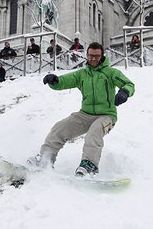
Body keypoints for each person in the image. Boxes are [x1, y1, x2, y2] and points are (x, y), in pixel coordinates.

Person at [30, 42, 135, 177]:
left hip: (107, 116)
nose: (93, 59)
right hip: (85, 114)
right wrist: (55, 80)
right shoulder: (82, 74)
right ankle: (45, 159)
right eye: (91, 56)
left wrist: (124, 92)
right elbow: (65, 81)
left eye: (97, 56)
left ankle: (89, 165)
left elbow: (129, 84)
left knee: (94, 132)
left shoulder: (111, 73)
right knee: (60, 127)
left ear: (102, 56)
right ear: (87, 56)